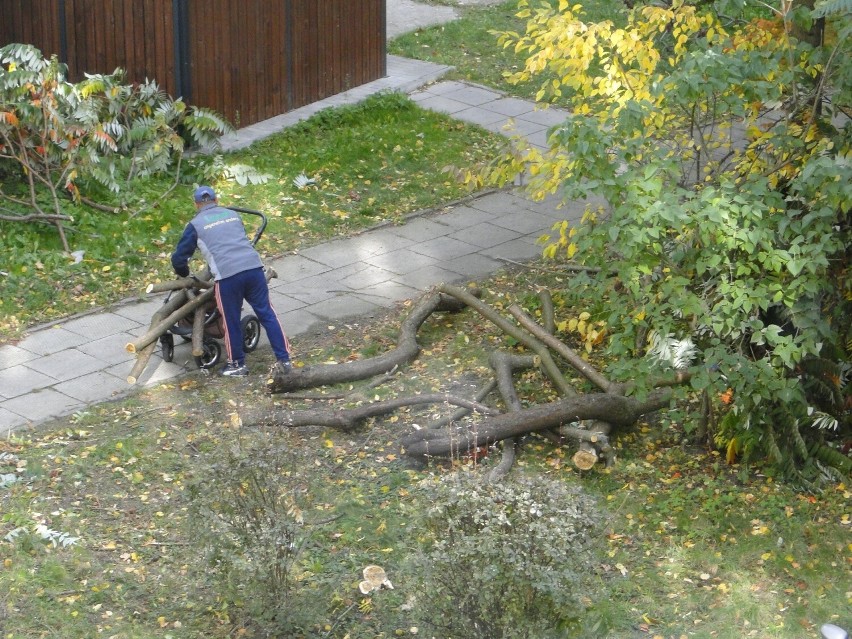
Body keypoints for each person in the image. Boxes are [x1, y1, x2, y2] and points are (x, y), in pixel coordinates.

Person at [171, 185, 292, 377]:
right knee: (267, 314)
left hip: (228, 277)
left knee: (231, 321)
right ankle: (284, 359)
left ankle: (237, 364)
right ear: (216, 200)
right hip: (254, 269)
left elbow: (179, 258)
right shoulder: (232, 215)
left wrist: (184, 273)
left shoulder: (195, 225)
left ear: (196, 204)